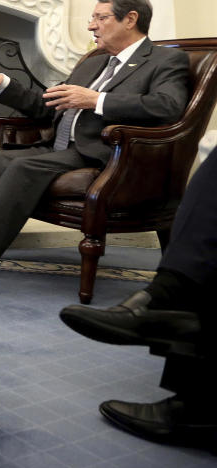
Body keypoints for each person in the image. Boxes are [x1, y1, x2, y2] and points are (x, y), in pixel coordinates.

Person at [0, 0, 190, 260]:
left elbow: (168, 106)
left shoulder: (165, 60)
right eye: (92, 18)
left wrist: (97, 100)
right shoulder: (93, 63)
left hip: (106, 155)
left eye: (101, 18)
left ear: (130, 19)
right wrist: (4, 84)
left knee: (22, 165)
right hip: (59, 148)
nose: (91, 26)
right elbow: (47, 106)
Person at [59, 146, 217, 448]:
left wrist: (95, 103)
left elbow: (165, 105)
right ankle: (167, 302)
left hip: (123, 150)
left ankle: (197, 407)